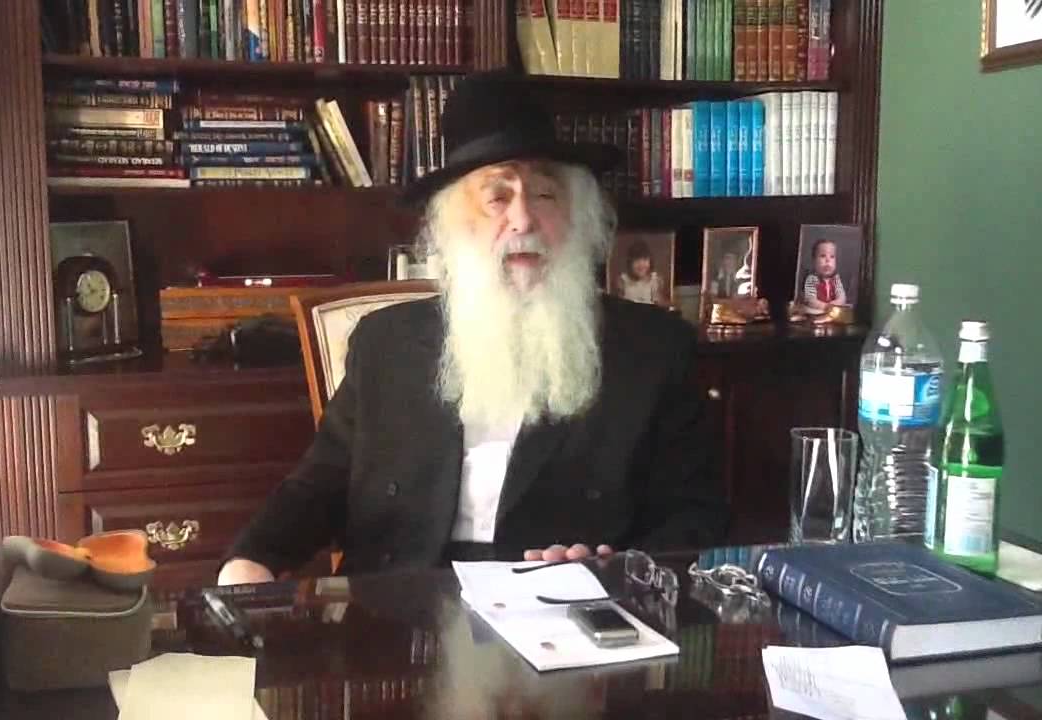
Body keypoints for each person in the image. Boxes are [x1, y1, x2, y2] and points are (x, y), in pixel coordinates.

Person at [218, 71, 727, 585]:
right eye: (497, 198)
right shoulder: (384, 342)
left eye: (545, 195)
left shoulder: (653, 349)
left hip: (559, 604)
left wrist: (613, 572)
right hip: (400, 602)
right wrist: (253, 557)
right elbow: (319, 484)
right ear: (455, 223)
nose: (523, 220)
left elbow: (695, 515)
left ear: (578, 217)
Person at [801, 239, 846, 313]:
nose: (828, 260)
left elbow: (842, 297)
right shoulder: (812, 279)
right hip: (816, 310)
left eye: (832, 256)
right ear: (814, 261)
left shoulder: (836, 279)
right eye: (822, 256)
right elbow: (810, 299)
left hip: (832, 310)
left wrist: (835, 304)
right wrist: (825, 306)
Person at [617, 240, 666, 305]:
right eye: (636, 260)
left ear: (650, 261)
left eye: (645, 259)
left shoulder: (653, 280)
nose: (641, 264)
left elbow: (658, 303)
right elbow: (619, 303)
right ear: (630, 263)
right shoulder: (624, 280)